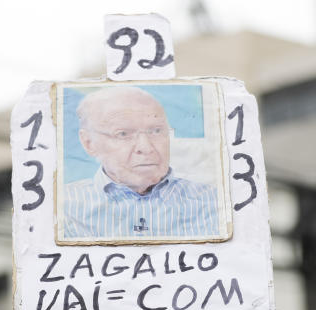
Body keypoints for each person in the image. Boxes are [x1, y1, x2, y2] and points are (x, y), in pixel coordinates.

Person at [61, 87, 221, 240]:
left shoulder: (214, 202)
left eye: (156, 131)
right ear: (89, 143)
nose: (146, 148)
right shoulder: (62, 206)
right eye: (123, 134)